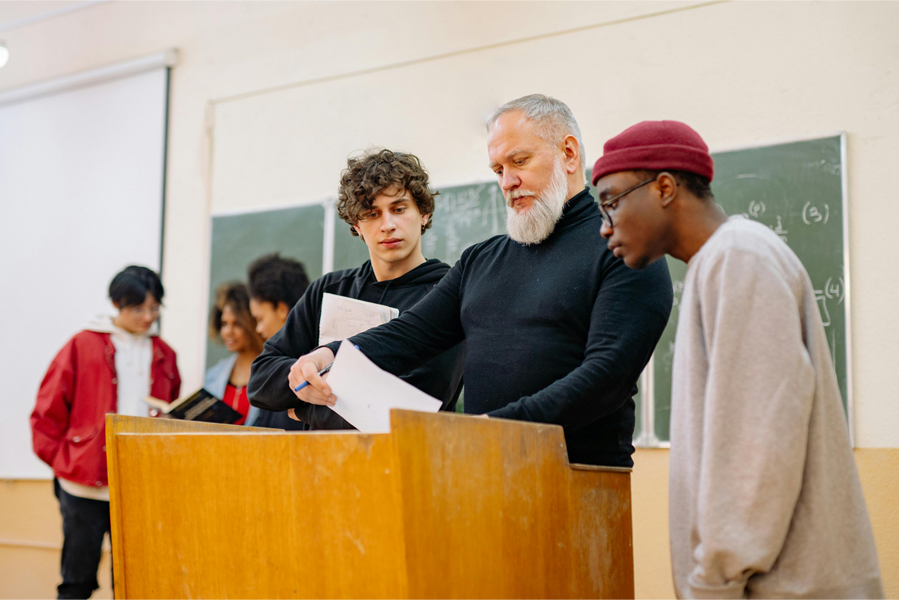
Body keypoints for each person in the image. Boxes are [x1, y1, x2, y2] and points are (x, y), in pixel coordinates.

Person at [282, 95, 673, 466]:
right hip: (483, 470)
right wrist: (330, 354)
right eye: (498, 170)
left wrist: (494, 428)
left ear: (569, 154)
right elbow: (411, 334)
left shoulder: (624, 249)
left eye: (519, 161)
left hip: (577, 480)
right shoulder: (482, 260)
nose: (507, 181)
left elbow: (605, 378)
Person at [592, 120, 884, 599]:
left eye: (611, 201)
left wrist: (714, 581)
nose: (605, 226)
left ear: (664, 187)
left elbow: (759, 446)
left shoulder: (738, 259)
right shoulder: (721, 261)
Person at [248, 149, 465, 429]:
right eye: (371, 214)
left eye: (399, 209)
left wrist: (301, 410)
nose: (387, 225)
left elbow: (410, 407)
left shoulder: (448, 295)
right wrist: (320, 386)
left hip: (404, 463)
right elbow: (262, 379)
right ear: (356, 225)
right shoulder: (329, 290)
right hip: (320, 466)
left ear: (423, 213)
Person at [31, 265, 181, 600]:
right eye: (138, 308)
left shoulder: (164, 353)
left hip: (139, 486)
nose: (147, 317)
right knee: (77, 581)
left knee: (132, 583)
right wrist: (66, 462)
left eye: (154, 308)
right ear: (116, 304)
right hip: (82, 487)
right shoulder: (81, 345)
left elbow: (171, 413)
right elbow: (46, 413)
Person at [246, 253, 310, 430]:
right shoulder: (274, 365)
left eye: (260, 319)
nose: (258, 330)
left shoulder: (306, 367)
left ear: (281, 309)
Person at [205, 282, 265, 426]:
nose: (228, 332)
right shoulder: (214, 375)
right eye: (224, 323)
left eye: (237, 324)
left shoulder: (271, 373)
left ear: (252, 323)